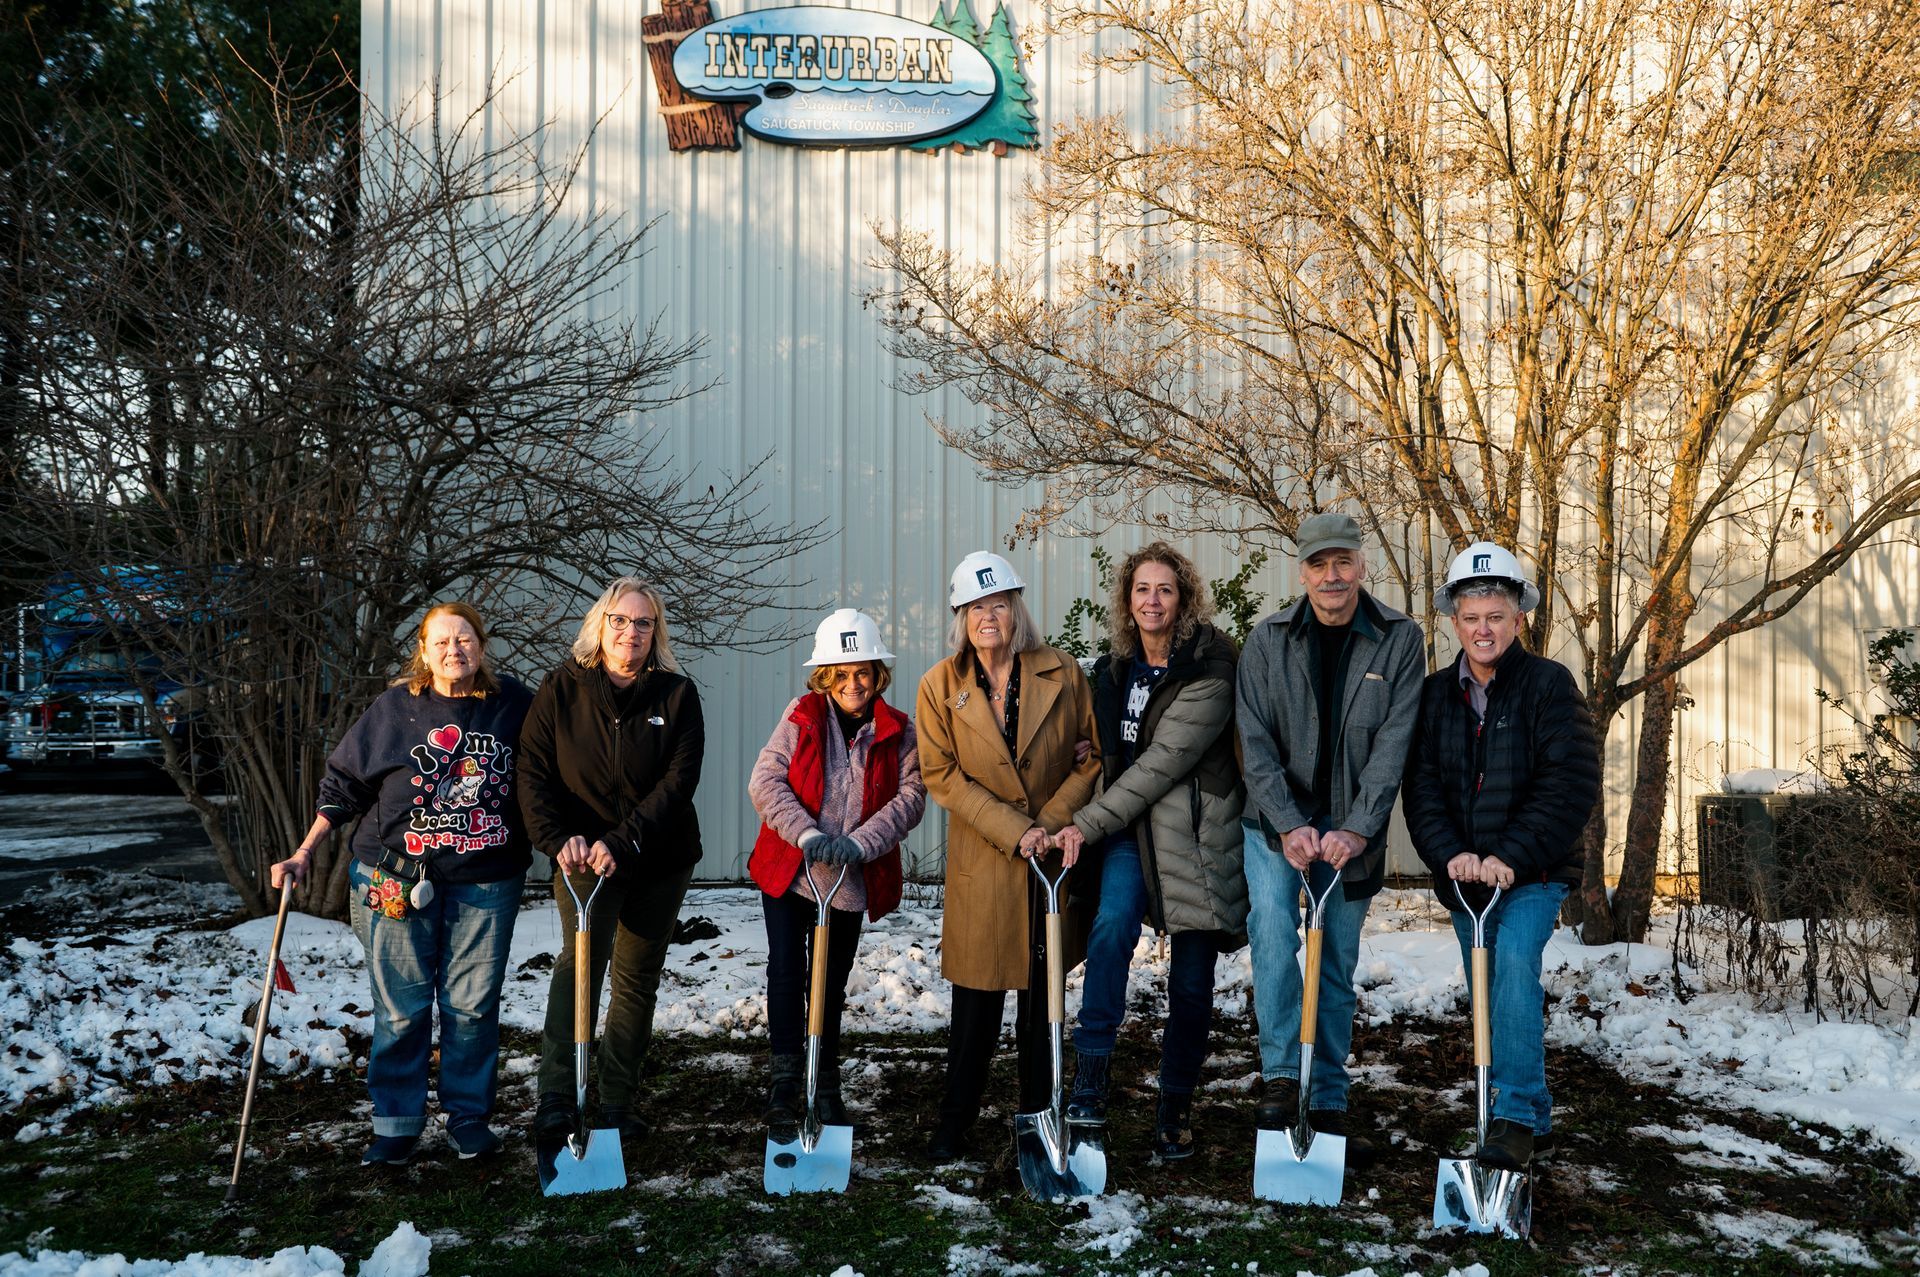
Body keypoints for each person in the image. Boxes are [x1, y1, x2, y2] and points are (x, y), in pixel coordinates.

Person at [271, 602, 532, 1165]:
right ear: (423, 649)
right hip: (392, 876)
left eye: (464, 639)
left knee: (472, 1009)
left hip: (486, 882)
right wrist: (304, 851)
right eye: (441, 641)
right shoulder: (395, 707)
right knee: (400, 1009)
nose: (453, 650)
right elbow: (345, 782)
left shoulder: (514, 705)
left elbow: (550, 776)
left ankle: (468, 1120)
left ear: (482, 646)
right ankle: (396, 1122)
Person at [1403, 541, 1600, 1171]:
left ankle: (1510, 1117)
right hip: (1465, 878)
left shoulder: (1548, 685)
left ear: (1519, 620)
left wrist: (1510, 856)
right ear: (1454, 622)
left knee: (1513, 965)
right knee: (1489, 988)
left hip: (1535, 872)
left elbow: (1568, 785)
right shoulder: (1435, 696)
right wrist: (1449, 854)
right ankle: (1533, 1114)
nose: (1483, 628)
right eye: (1471, 617)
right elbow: (1423, 787)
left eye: (1496, 615)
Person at [1236, 511, 1425, 1164]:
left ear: (1361, 564)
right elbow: (1253, 743)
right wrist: (1288, 822)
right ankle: (1283, 1073)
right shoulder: (1267, 641)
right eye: (1319, 564)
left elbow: (1394, 743)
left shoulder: (1400, 639)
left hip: (1353, 830)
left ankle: (1329, 1091)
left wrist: (1356, 827)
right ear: (1302, 572)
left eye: (1342, 561)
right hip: (1273, 824)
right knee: (1270, 930)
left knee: (1336, 957)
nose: (1332, 575)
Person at [1052, 542, 1246, 1160]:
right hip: (1132, 835)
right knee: (1110, 933)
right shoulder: (1115, 668)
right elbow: (1113, 749)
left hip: (1193, 837)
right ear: (1127, 600)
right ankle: (1090, 1080)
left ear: (1183, 597)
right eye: (1141, 590)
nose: (1152, 600)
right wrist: (1092, 753)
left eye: (1165, 589)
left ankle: (1175, 1104)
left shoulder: (1212, 665)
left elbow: (1161, 764)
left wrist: (1085, 821)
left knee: (1191, 978)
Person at [916, 550, 1101, 1162]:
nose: (988, 617)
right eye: (975, 607)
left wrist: (1044, 826)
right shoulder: (940, 686)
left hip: (1047, 860)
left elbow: (1091, 759)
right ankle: (954, 1122)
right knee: (974, 1008)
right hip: (985, 862)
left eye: (998, 604)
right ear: (959, 616)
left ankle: (1039, 1114)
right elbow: (942, 777)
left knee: (1042, 1002)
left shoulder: (1064, 672)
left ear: (1016, 608)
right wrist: (1014, 829)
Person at [519, 577, 705, 1146]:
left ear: (656, 633)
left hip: (656, 859)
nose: (631, 633)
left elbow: (679, 782)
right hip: (581, 860)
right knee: (578, 972)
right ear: (600, 626)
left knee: (634, 981)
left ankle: (616, 1103)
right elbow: (533, 771)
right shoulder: (562, 688)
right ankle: (557, 1096)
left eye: (644, 623)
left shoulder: (676, 695)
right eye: (620, 621)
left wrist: (623, 842)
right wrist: (556, 840)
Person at [747, 607, 927, 1133]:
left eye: (863, 673)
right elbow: (766, 781)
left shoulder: (899, 729)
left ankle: (823, 1079)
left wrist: (860, 843)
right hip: (791, 868)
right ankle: (785, 1081)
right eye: (841, 674)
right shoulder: (801, 715)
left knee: (830, 980)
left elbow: (911, 797)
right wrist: (806, 834)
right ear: (825, 676)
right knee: (786, 970)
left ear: (877, 675)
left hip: (848, 876)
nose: (853, 684)